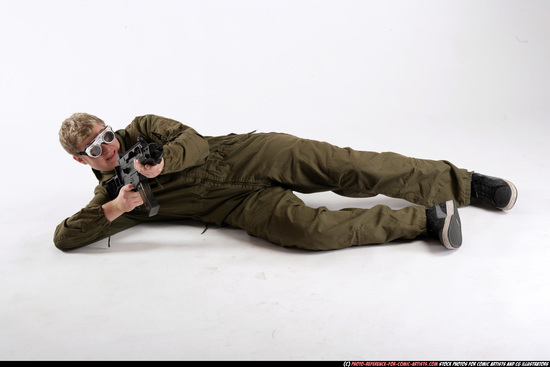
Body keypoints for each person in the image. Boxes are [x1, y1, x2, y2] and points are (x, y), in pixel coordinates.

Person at [54, 113, 517, 252]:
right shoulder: (112, 195)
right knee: (309, 232)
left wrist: (164, 162)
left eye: (107, 136)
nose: (110, 148)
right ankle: (426, 220)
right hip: (236, 207)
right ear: (81, 161)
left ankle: (465, 184)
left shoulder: (146, 127)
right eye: (96, 150)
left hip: (252, 153)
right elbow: (64, 239)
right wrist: (116, 208)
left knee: (351, 168)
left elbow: (191, 141)